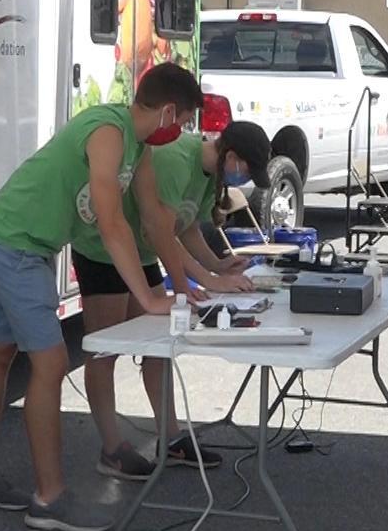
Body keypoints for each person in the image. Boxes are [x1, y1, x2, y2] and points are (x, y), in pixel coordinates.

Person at [0, 62, 204, 531]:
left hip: (19, 241)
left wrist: (187, 282)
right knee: (50, 364)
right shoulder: (108, 131)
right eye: (185, 121)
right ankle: (49, 499)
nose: (183, 132)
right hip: (15, 244)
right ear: (169, 111)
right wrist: (150, 298)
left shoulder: (138, 147)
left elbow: (154, 216)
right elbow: (112, 222)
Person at [73, 120, 273, 479]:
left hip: (141, 254)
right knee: (104, 351)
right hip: (104, 251)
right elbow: (160, 232)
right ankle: (112, 449)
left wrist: (217, 266)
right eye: (246, 169)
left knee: (158, 346)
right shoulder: (177, 159)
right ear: (231, 156)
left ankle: (171, 438)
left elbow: (188, 227)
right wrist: (201, 281)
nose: (243, 177)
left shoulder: (211, 173)